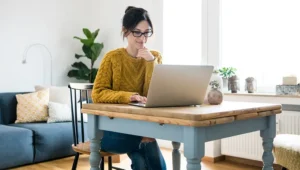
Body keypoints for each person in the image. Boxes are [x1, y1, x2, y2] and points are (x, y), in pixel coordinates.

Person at [91, 6, 166, 170]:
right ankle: (144, 137)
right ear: (125, 31)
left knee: (146, 163)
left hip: (142, 126)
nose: (142, 38)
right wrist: (129, 96)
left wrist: (150, 63)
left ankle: (143, 137)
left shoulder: (155, 57)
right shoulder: (112, 58)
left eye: (147, 32)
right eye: (137, 32)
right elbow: (97, 93)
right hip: (111, 131)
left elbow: (154, 95)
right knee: (147, 139)